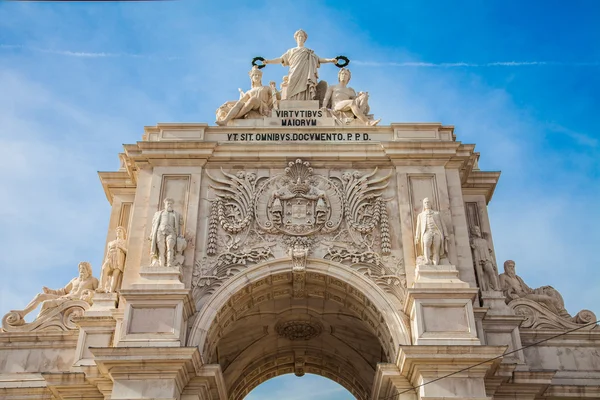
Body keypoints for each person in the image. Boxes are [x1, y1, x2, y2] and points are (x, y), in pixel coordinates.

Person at [263, 29, 337, 101]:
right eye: (299, 36)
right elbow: (280, 59)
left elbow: (319, 59)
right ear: (296, 38)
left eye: (302, 36)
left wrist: (331, 60)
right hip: (294, 72)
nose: (300, 38)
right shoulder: (291, 51)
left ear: (305, 39)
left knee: (305, 86)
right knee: (290, 86)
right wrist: (268, 61)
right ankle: (291, 102)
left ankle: (306, 101)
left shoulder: (308, 52)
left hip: (305, 73)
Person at [12, 262, 98, 320]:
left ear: (88, 270)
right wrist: (50, 291)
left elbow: (98, 293)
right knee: (40, 296)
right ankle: (23, 313)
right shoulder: (75, 280)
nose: (81, 270)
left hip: (74, 300)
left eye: (83, 268)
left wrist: (89, 293)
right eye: (80, 268)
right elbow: (63, 291)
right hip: (65, 297)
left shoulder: (92, 280)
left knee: (46, 304)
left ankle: (39, 321)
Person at [499, 260, 570, 318]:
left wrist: (541, 288)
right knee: (547, 299)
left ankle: (560, 316)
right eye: (510, 267)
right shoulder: (503, 276)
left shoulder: (518, 278)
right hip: (522, 296)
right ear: (505, 268)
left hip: (527, 294)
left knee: (550, 296)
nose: (512, 268)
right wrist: (511, 289)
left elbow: (529, 289)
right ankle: (562, 317)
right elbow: (501, 289)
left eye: (513, 267)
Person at [150, 198, 185, 268]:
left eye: (171, 204)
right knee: (161, 249)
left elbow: (180, 225)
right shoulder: (158, 214)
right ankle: (161, 264)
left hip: (171, 232)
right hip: (160, 231)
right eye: (168, 203)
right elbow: (154, 225)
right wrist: (151, 233)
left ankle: (169, 263)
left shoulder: (177, 215)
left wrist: (180, 234)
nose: (169, 205)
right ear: (165, 205)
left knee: (170, 247)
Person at [414, 198, 449, 265]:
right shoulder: (421, 215)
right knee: (426, 245)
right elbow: (418, 227)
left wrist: (446, 235)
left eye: (428, 202)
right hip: (427, 232)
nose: (427, 204)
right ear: (423, 205)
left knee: (436, 249)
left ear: (431, 204)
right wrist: (417, 236)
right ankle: (427, 260)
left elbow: (443, 224)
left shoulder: (437, 214)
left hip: (436, 232)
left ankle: (436, 262)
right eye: (425, 203)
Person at [97, 226, 127, 293]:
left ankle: (111, 291)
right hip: (110, 257)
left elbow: (128, 252)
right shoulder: (110, 242)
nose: (118, 233)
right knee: (104, 269)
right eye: (117, 231)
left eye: (120, 231)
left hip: (119, 258)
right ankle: (102, 287)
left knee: (115, 275)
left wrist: (121, 247)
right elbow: (107, 252)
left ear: (123, 233)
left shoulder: (125, 242)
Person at [470, 226, 499, 291]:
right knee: (480, 275)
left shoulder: (484, 241)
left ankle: (495, 287)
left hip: (487, 259)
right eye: (475, 230)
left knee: (491, 272)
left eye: (478, 229)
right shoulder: (472, 241)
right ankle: (484, 289)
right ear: (473, 232)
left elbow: (490, 253)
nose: (478, 231)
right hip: (478, 260)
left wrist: (493, 262)